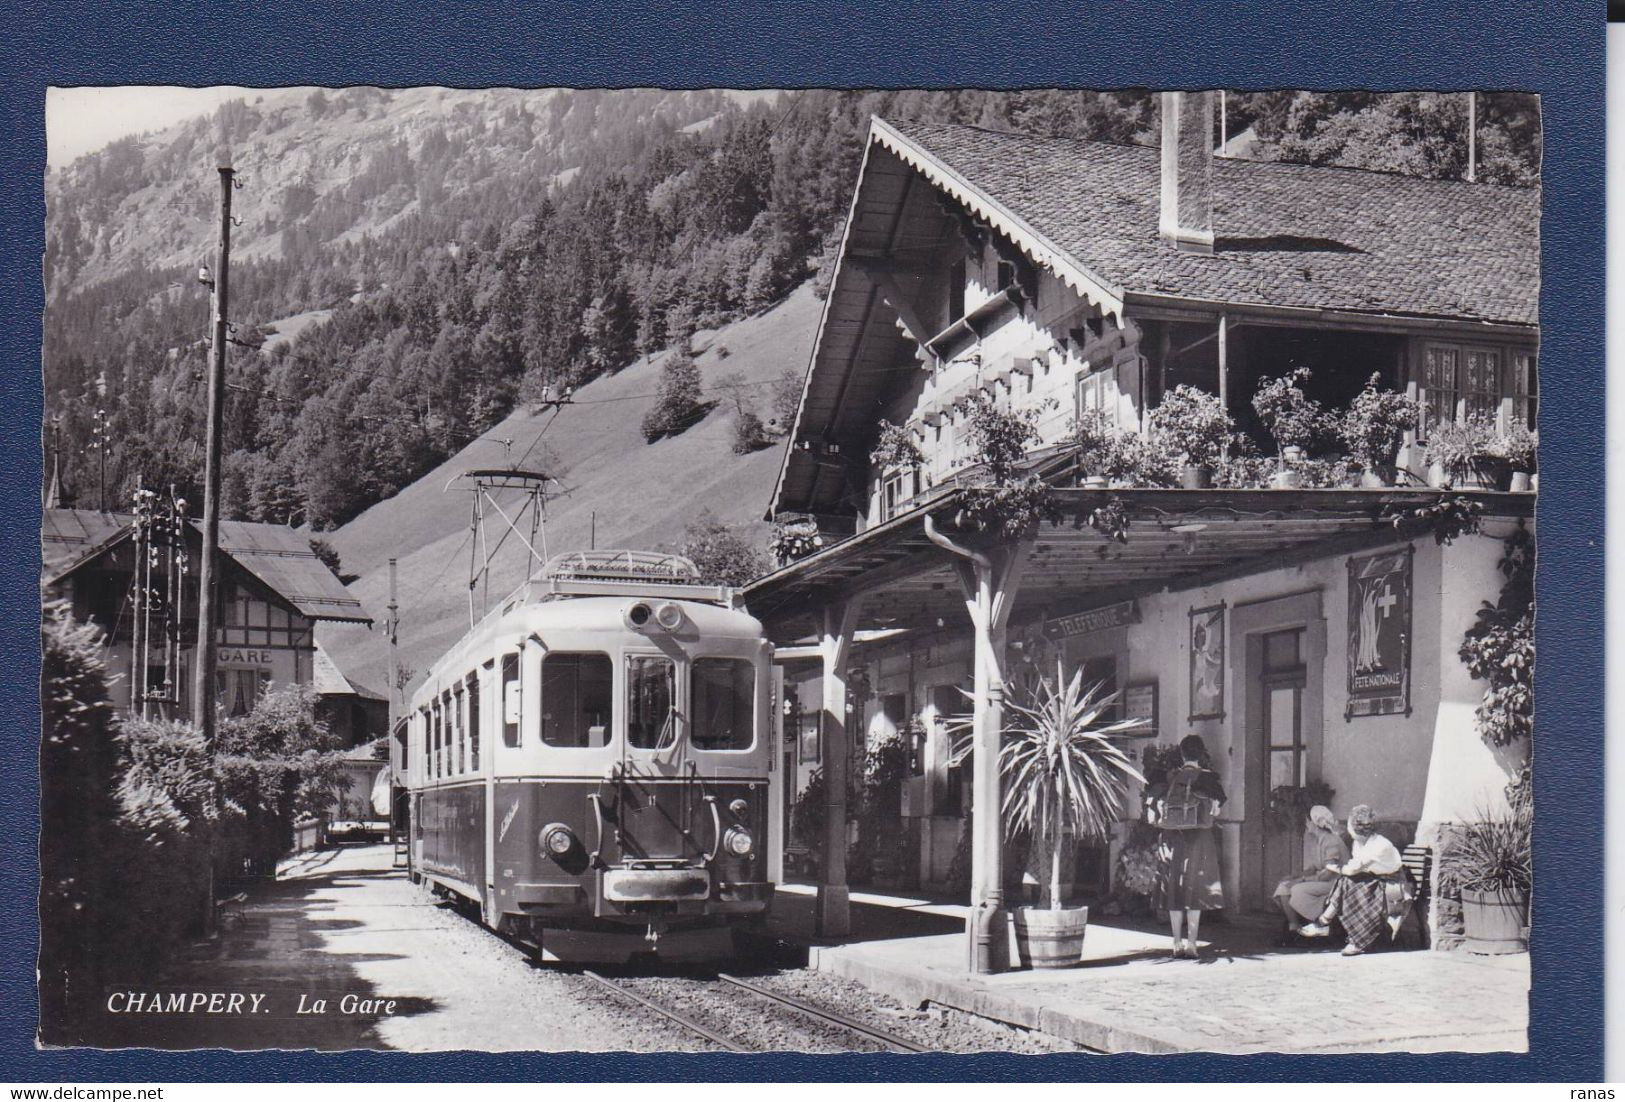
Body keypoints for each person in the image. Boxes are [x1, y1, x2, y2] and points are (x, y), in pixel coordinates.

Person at [1147, 734, 1226, 959]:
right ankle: (1192, 942)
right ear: (1201, 755)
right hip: (1200, 839)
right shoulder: (1210, 780)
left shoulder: (1169, 777)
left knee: (1174, 889)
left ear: (1181, 754)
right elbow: (1216, 810)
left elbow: (1154, 805)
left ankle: (1176, 942)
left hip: (1172, 838)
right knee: (1196, 889)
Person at [1299, 804, 1408, 956]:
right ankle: (1328, 926)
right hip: (1375, 879)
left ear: (1357, 829)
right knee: (1346, 883)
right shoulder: (1359, 843)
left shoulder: (1379, 845)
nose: (1347, 828)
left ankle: (1343, 933)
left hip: (1392, 884)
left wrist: (1334, 867)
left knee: (1348, 884)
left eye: (1349, 824)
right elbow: (1354, 868)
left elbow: (1352, 869)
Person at [1271, 805, 1350, 944]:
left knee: (1297, 889)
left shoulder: (1331, 840)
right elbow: (1314, 867)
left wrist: (1301, 880)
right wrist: (1295, 876)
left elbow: (1329, 872)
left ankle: (1317, 927)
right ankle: (1294, 927)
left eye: (1307, 821)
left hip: (1337, 882)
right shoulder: (1319, 840)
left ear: (1315, 822)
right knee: (1284, 886)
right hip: (1324, 881)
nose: (1306, 824)